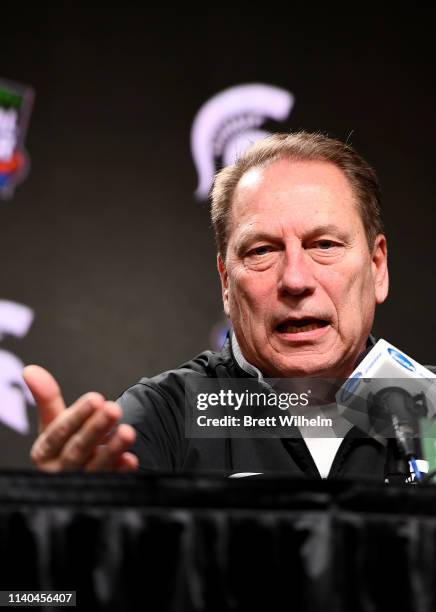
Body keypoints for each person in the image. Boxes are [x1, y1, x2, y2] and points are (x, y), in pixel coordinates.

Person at [24, 131, 393, 478]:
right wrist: (73, 513)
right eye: (261, 250)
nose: (295, 280)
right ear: (226, 283)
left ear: (377, 267)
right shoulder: (164, 417)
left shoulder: (431, 413)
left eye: (324, 245)